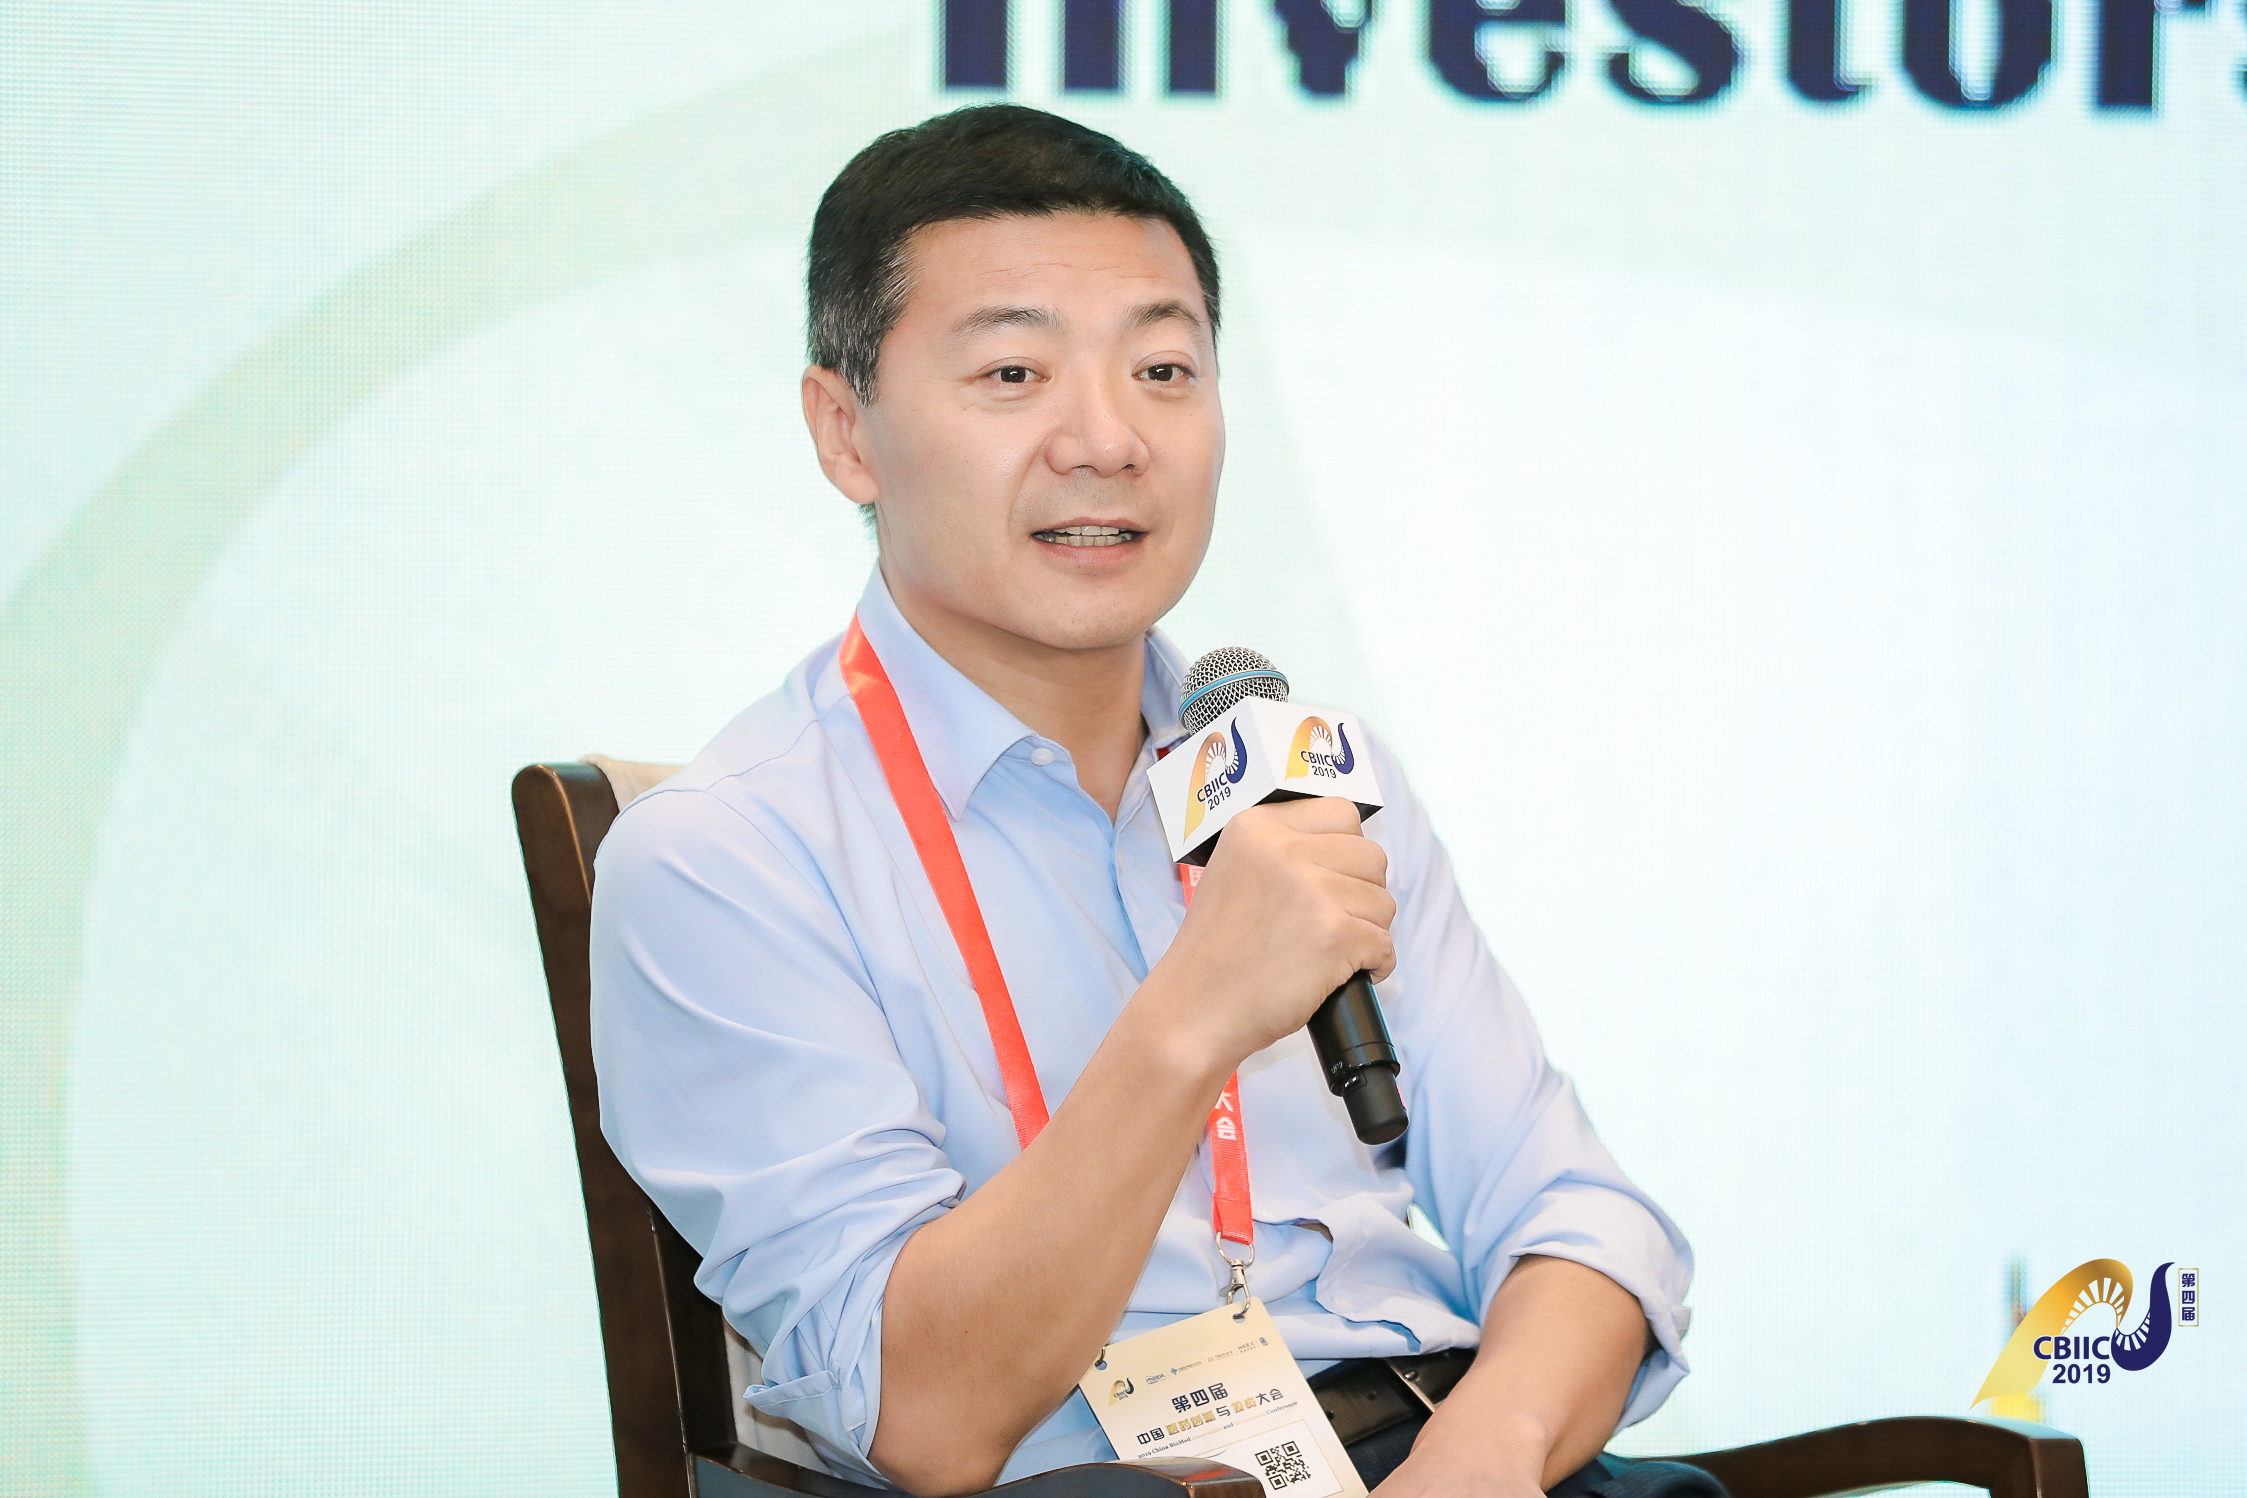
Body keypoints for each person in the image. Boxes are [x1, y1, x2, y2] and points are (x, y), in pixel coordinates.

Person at [589, 104, 1694, 1498]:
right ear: (845, 431)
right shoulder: (721, 860)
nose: (1108, 439)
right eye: (1013, 372)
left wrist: (1489, 1450)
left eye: (1163, 369)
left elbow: (1577, 1220)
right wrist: (1195, 1012)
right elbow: (924, 1417)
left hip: (1447, 1450)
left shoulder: (1305, 782)